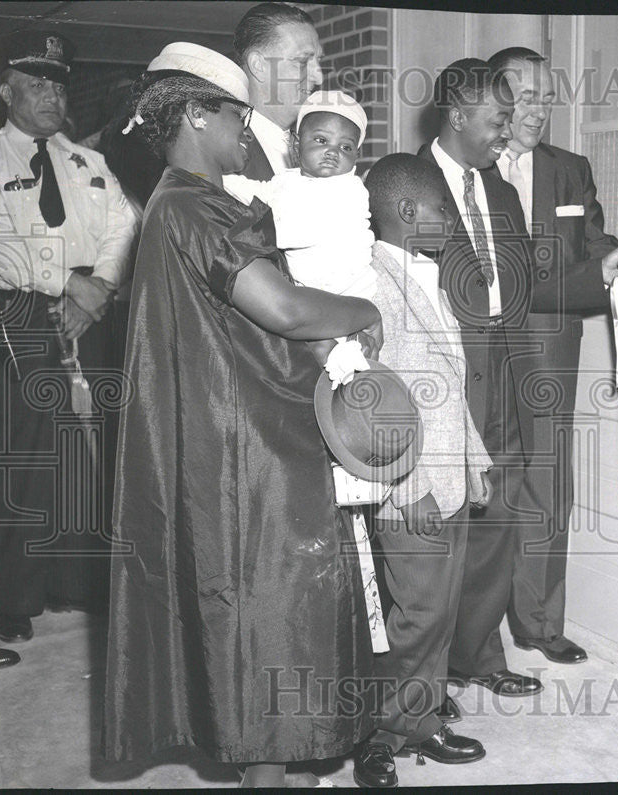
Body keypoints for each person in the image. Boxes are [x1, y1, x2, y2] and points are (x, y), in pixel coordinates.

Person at [101, 43, 382, 789]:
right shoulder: (191, 204)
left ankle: (276, 771)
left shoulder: (181, 201)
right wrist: (363, 307)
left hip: (243, 428)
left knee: (267, 622)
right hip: (245, 447)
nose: (248, 134)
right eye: (238, 118)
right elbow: (282, 308)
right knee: (269, 618)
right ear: (197, 113)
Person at [416, 59, 618, 713]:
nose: (524, 119)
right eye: (512, 106)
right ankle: (428, 669)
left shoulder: (534, 182)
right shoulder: (421, 177)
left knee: (517, 508)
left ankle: (506, 639)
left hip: (527, 365)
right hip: (457, 372)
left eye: (538, 104)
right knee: (444, 518)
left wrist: (614, 271)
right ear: (473, 108)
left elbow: (558, 268)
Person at [485, 47, 618, 666]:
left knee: (546, 479)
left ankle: (541, 624)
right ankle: (471, 638)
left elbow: (593, 247)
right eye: (524, 95)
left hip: (549, 340)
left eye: (547, 96)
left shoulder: (570, 168)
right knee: (480, 481)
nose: (538, 108)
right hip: (480, 344)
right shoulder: (462, 162)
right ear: (493, 98)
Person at [0, 30, 139, 644]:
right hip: (17, 319)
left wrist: (97, 290)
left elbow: (123, 229)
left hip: (91, 317)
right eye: (35, 82)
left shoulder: (87, 162)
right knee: (23, 458)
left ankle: (79, 581)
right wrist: (68, 284)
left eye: (57, 82)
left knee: (88, 450)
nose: (51, 92)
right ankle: (13, 594)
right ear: (6, 91)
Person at [354, 153, 493, 787]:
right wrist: (407, 485)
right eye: (443, 207)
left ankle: (422, 715)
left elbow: (449, 384)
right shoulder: (372, 282)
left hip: (450, 477)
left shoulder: (425, 275)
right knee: (413, 614)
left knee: (437, 609)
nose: (451, 218)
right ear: (408, 211)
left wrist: (475, 459)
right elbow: (371, 395)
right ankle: (379, 736)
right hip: (410, 486)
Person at [224, 89, 376, 300]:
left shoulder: (350, 190)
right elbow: (258, 191)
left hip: (350, 292)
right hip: (310, 292)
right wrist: (221, 180)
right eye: (322, 140)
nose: (334, 152)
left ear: (356, 156)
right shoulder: (288, 180)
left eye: (346, 147)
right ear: (296, 145)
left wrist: (252, 232)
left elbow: (303, 229)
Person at [233, 1, 324, 179]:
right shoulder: (223, 154)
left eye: (319, 60)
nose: (319, 77)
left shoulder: (315, 149)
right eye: (302, 62)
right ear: (258, 66)